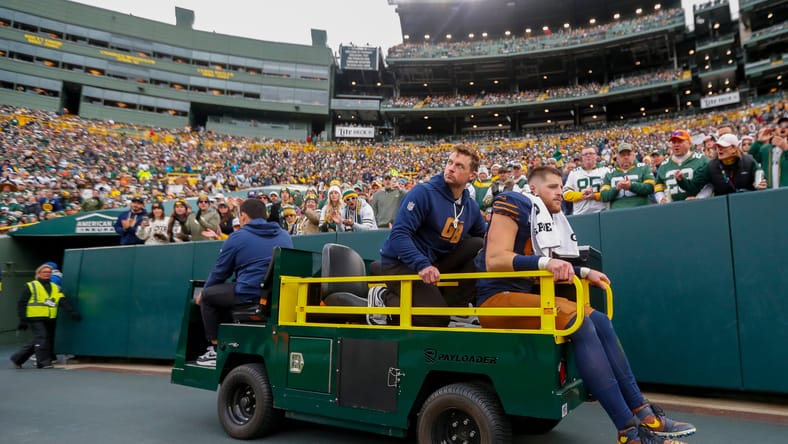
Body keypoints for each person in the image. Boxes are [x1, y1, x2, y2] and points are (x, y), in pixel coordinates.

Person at [474, 166, 695, 444]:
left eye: (560, 186)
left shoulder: (548, 216)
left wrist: (583, 272)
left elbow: (552, 264)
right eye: (553, 187)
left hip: (522, 297)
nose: (560, 192)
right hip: (497, 300)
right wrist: (548, 263)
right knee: (581, 322)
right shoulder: (515, 202)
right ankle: (629, 432)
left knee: (600, 320)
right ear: (533, 190)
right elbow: (495, 260)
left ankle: (645, 413)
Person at [372, 146, 487, 327]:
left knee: (480, 245)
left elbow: (485, 235)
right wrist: (422, 264)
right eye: (449, 163)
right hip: (402, 263)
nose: (450, 168)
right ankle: (382, 297)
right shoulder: (424, 192)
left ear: (472, 175)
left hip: (434, 261)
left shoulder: (470, 206)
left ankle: (456, 306)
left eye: (459, 166)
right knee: (436, 319)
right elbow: (399, 234)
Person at [194, 199, 292, 367]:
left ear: (244, 217)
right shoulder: (284, 235)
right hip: (278, 296)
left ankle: (216, 349)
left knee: (209, 297)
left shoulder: (237, 237)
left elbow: (220, 273)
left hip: (250, 293)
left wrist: (204, 291)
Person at [10, 263, 82, 369]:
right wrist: (23, 319)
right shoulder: (31, 285)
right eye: (44, 272)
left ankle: (17, 358)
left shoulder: (55, 287)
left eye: (49, 272)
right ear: (38, 273)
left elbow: (62, 301)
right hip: (35, 317)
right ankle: (43, 362)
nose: (47, 274)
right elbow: (22, 303)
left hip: (49, 318)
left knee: (40, 339)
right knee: (42, 338)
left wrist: (71, 312)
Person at [653, 130, 711, 203]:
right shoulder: (664, 165)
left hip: (699, 205)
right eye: (674, 142)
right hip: (673, 208)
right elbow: (658, 186)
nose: (676, 145)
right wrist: (661, 199)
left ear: (689, 143)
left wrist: (699, 198)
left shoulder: (702, 160)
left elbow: (710, 184)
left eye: (680, 141)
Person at [600, 143, 655, 209]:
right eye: (622, 155)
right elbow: (603, 196)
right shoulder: (609, 173)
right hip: (617, 213)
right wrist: (616, 188)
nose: (626, 157)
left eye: (628, 154)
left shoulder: (644, 168)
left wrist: (631, 186)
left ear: (633, 156)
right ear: (617, 158)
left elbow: (650, 187)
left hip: (641, 209)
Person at [562, 146, 609, 215]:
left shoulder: (605, 171)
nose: (588, 156)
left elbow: (610, 192)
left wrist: (595, 196)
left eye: (591, 153)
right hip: (580, 214)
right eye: (585, 154)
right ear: (582, 157)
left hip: (602, 212)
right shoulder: (574, 173)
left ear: (596, 156)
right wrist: (581, 195)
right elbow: (565, 194)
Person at [749, 120, 788, 188]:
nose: (783, 128)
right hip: (768, 192)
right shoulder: (765, 149)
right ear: (775, 130)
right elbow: (749, 159)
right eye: (780, 126)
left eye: (787, 126)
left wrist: (785, 148)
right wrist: (758, 141)